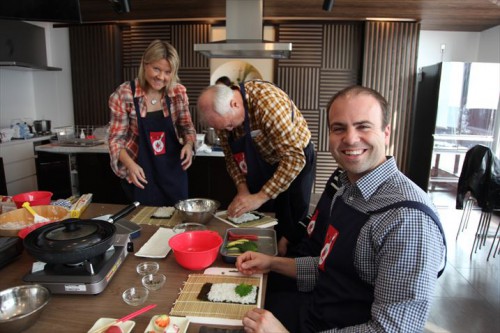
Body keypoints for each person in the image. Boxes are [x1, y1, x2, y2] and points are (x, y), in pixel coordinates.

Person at [236, 85, 447, 332]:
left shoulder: (408, 221)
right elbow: (333, 269)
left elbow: (391, 329)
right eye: (339, 128)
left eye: (363, 126)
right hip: (316, 310)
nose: (350, 138)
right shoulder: (346, 189)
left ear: (386, 133)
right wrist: (272, 263)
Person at [197, 80, 316, 255]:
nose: (227, 130)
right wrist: (242, 190)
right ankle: (264, 260)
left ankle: (287, 270)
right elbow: (231, 159)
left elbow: (294, 159)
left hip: (296, 160)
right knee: (263, 219)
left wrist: (261, 196)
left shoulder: (268, 104)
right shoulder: (222, 117)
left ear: (235, 104)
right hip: (263, 162)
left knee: (291, 224)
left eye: (229, 125)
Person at [108, 39, 196, 206]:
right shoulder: (124, 94)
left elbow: (187, 128)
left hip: (172, 174)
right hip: (140, 173)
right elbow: (115, 140)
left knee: (176, 223)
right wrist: (130, 165)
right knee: (145, 224)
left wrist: (189, 145)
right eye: (156, 69)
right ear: (145, 64)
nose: (161, 77)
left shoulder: (178, 92)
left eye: (168, 72)